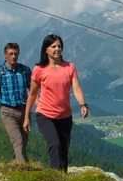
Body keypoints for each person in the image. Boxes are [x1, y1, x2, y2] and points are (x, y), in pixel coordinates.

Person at [22, 34, 89, 171]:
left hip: (65, 116)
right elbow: (33, 94)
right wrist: (27, 117)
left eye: (59, 46)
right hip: (45, 115)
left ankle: (63, 179)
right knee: (55, 144)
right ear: (46, 50)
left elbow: (76, 88)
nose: (57, 49)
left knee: (64, 150)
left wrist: (83, 104)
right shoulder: (39, 70)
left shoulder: (70, 67)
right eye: (53, 46)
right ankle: (55, 179)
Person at [0, 42, 33, 163]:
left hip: (24, 111)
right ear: (5, 55)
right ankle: (25, 171)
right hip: (8, 112)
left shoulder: (25, 71)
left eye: (16, 54)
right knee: (18, 141)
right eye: (10, 54)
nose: (13, 57)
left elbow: (33, 91)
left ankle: (15, 166)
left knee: (23, 143)